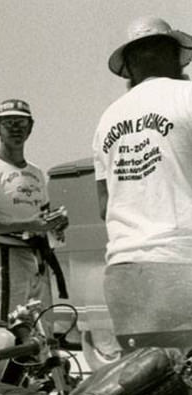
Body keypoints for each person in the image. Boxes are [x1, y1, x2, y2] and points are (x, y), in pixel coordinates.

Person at [94, 16, 192, 351]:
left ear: (129, 67)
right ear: (175, 55)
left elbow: (105, 205)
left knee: (149, 394)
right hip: (181, 264)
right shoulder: (188, 95)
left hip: (125, 276)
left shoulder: (107, 119)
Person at [0, 99, 69, 321]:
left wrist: (56, 225)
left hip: (38, 258)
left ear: (30, 128)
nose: (16, 129)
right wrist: (27, 224)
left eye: (21, 123)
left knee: (43, 331)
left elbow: (42, 216)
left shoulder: (36, 173)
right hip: (7, 256)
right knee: (10, 330)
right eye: (9, 123)